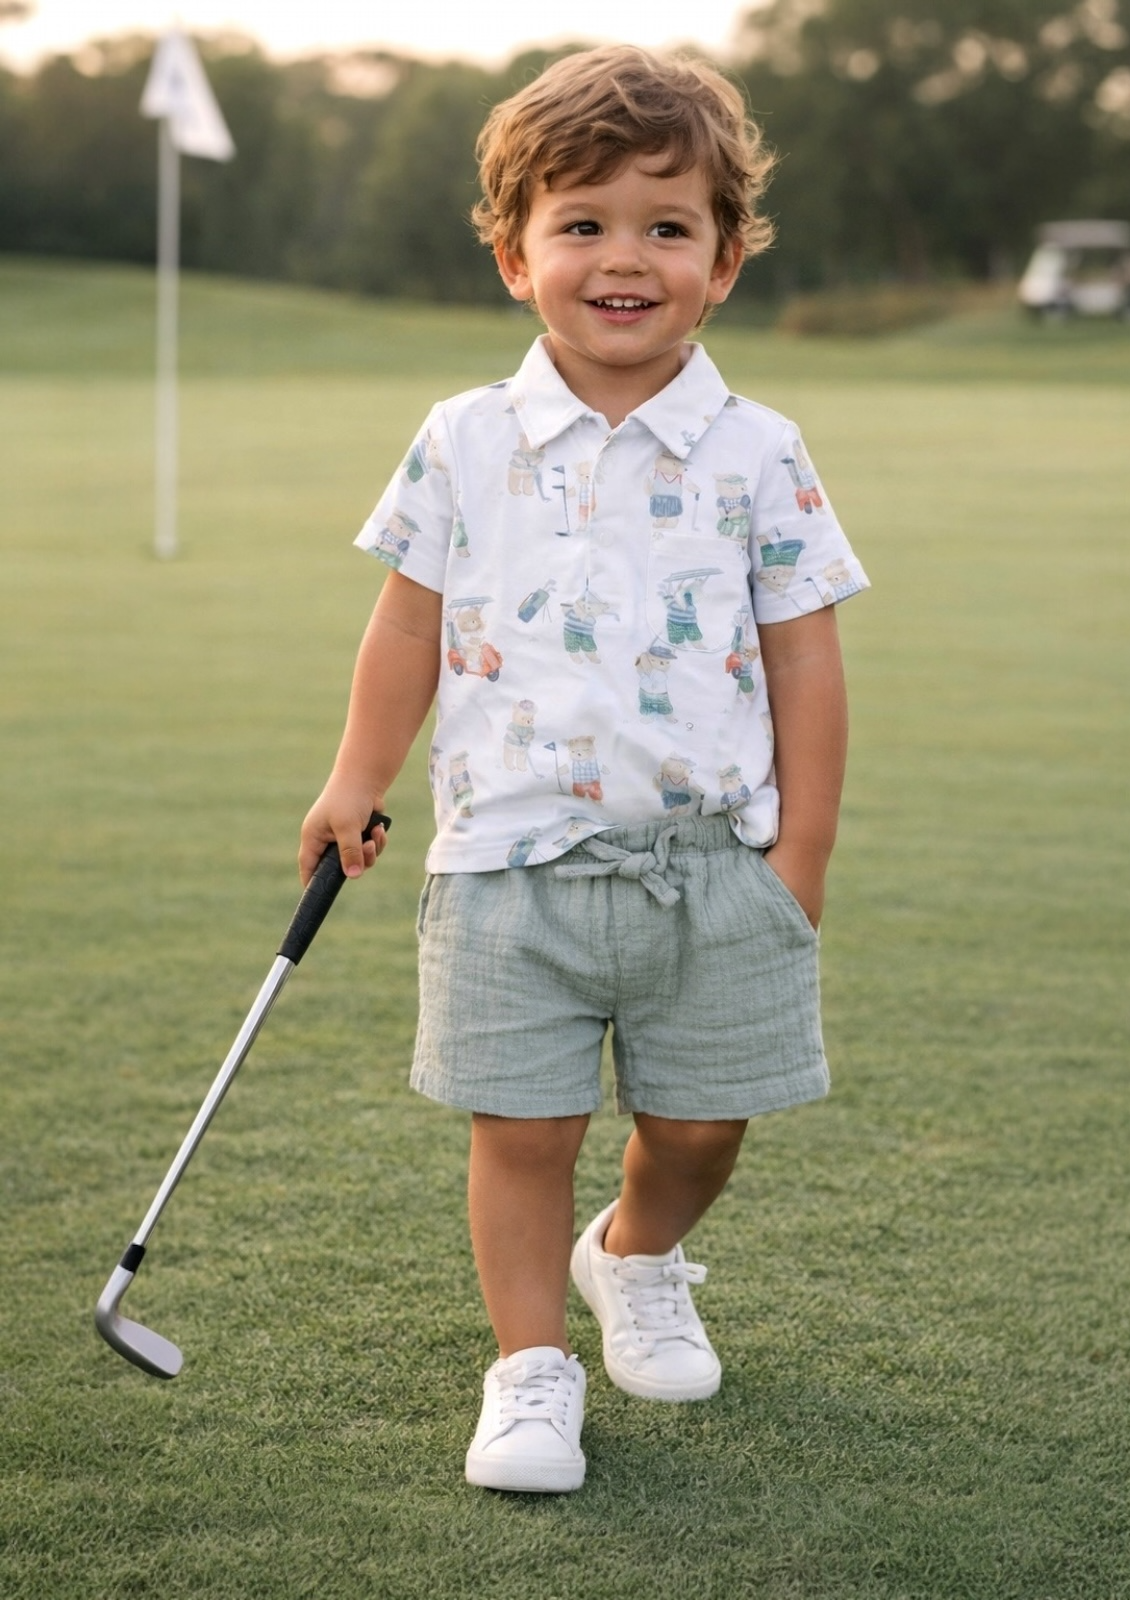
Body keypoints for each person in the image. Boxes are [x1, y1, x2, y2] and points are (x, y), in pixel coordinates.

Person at [299, 44, 869, 1496]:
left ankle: (636, 1258)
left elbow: (806, 660)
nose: (626, 258)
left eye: (668, 227)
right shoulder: (462, 440)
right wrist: (354, 777)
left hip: (710, 865)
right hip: (507, 863)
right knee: (526, 1126)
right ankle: (529, 1373)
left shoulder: (761, 451)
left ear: (725, 262)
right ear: (515, 255)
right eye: (585, 223)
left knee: (698, 1126)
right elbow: (407, 625)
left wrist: (797, 857)